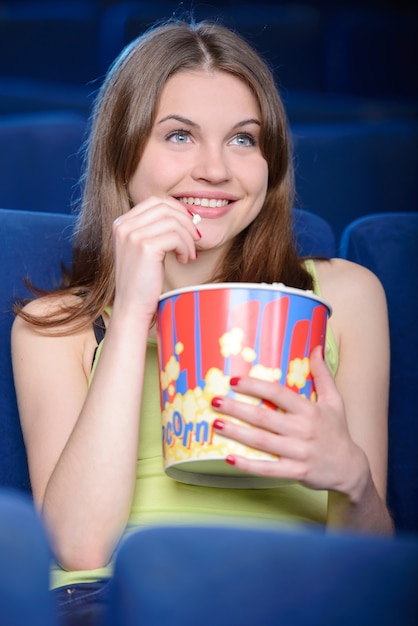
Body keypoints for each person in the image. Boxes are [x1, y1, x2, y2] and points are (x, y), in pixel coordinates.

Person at [11, 17, 393, 626]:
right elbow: (78, 546)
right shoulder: (54, 323)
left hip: (299, 596)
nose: (216, 170)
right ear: (121, 150)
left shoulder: (346, 297)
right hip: (113, 600)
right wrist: (134, 308)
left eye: (243, 139)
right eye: (180, 136)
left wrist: (353, 481)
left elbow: (376, 573)